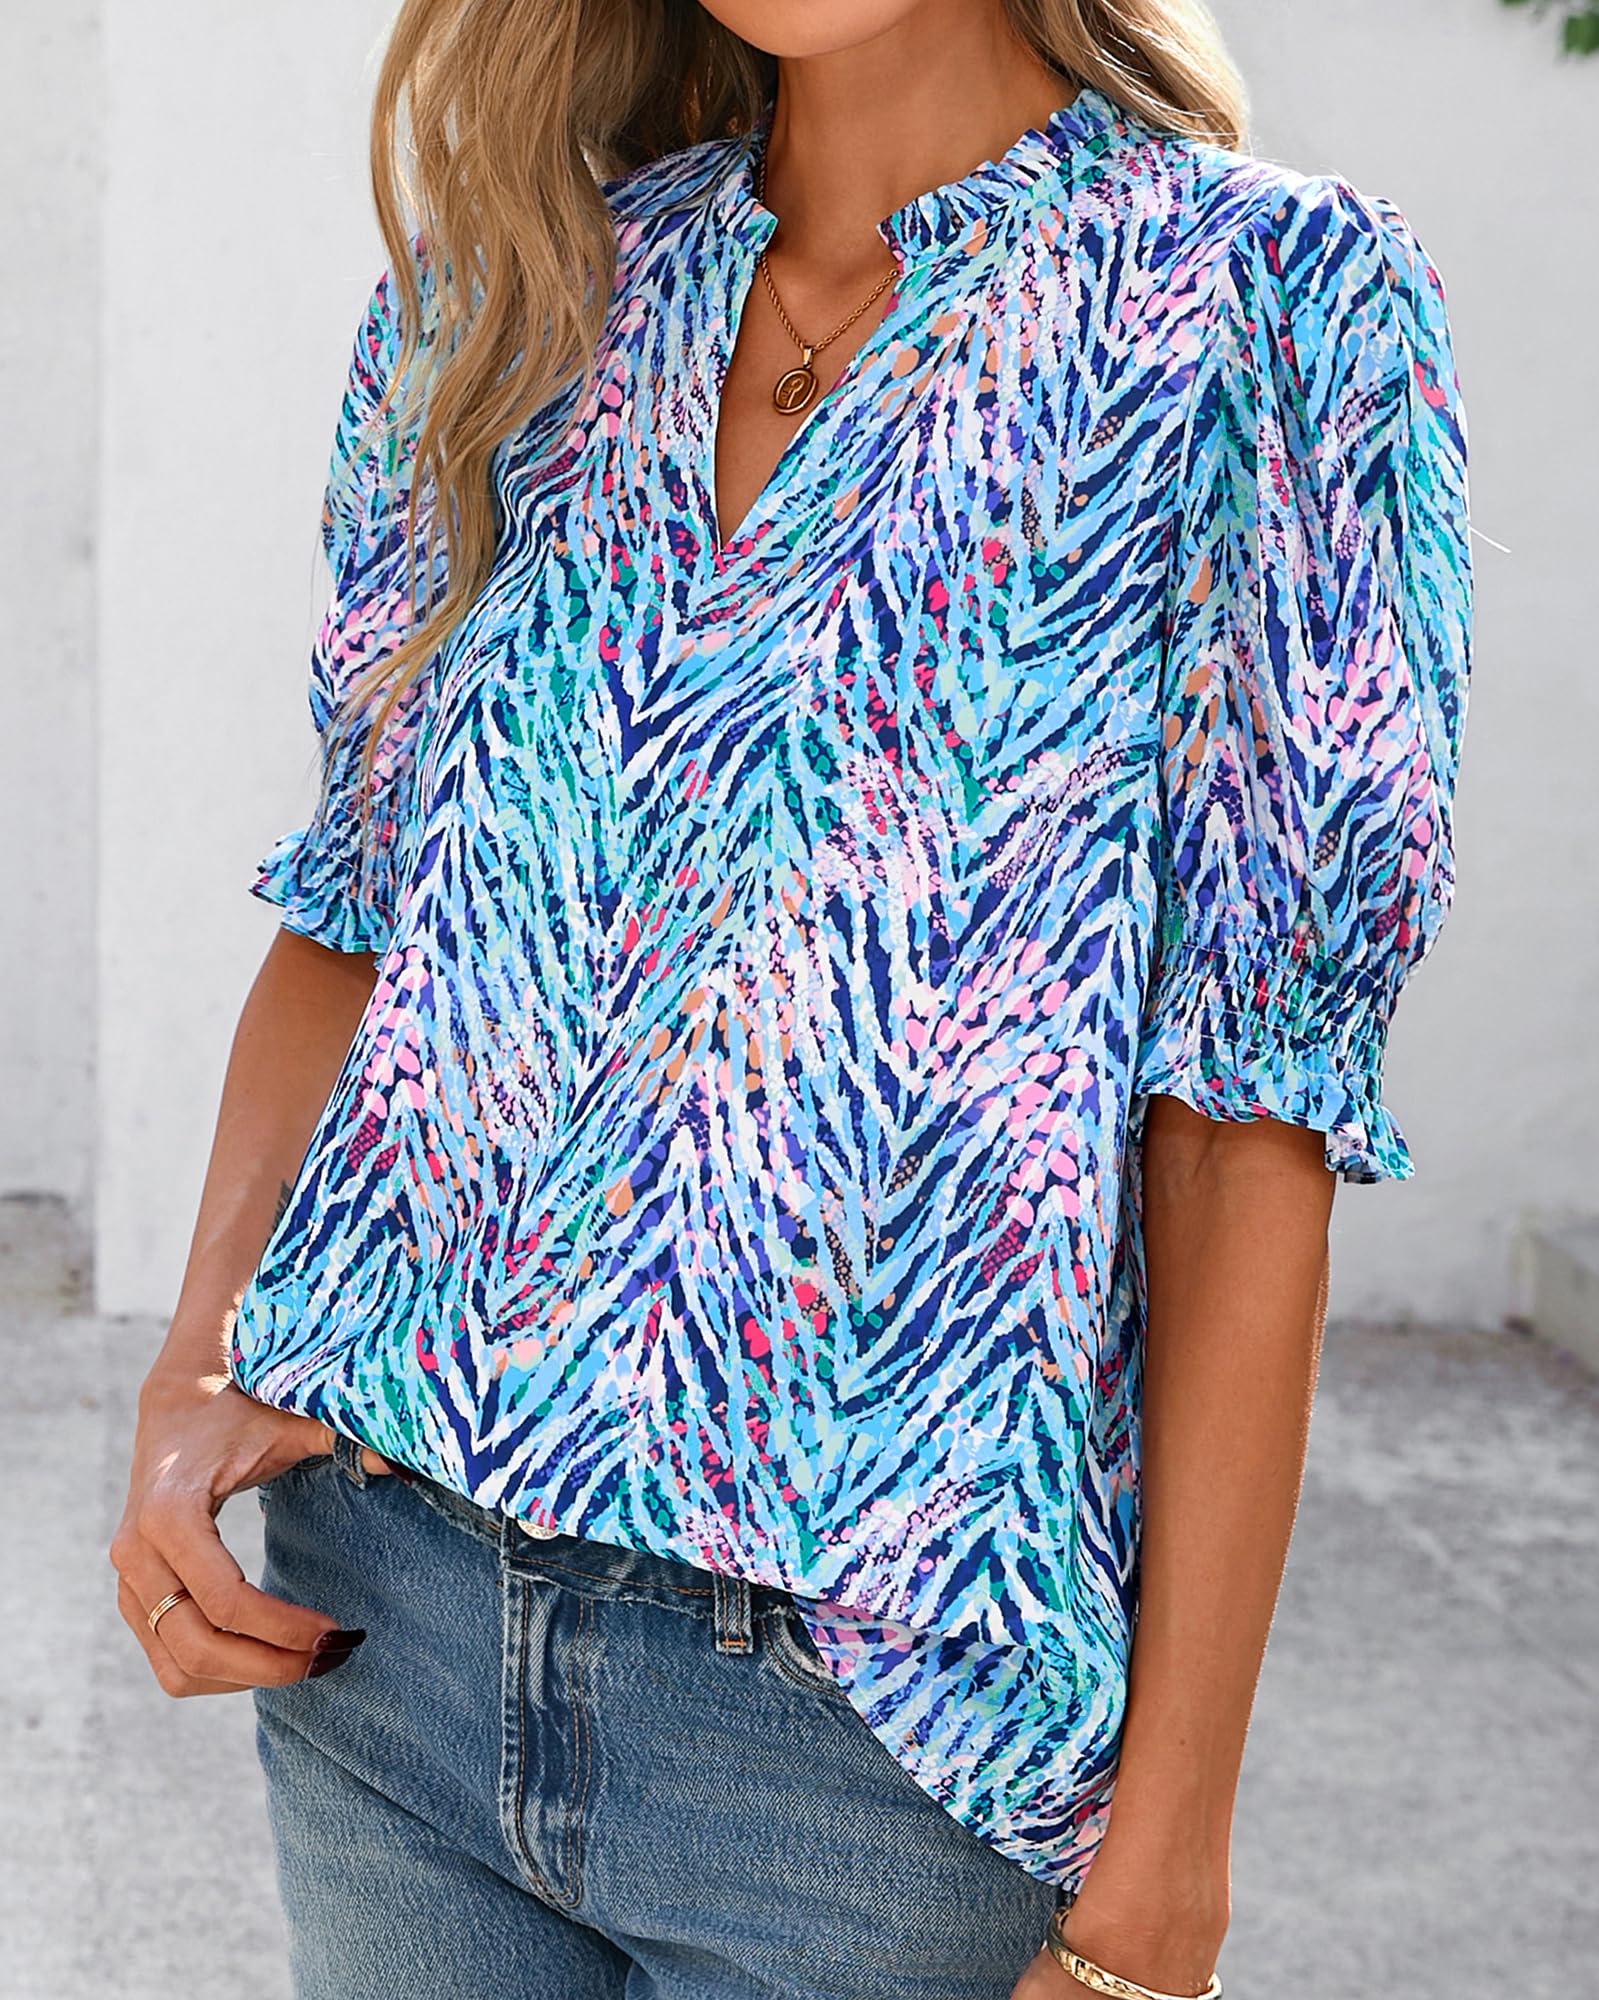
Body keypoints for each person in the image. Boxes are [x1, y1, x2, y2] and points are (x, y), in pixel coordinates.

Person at [110, 1, 1473, 1996]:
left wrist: (1164, 1877)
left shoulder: (1259, 303)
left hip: (872, 1740)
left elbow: (1243, 1120)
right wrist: (195, 1366)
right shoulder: (518, 293)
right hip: (386, 1636)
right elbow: (359, 908)